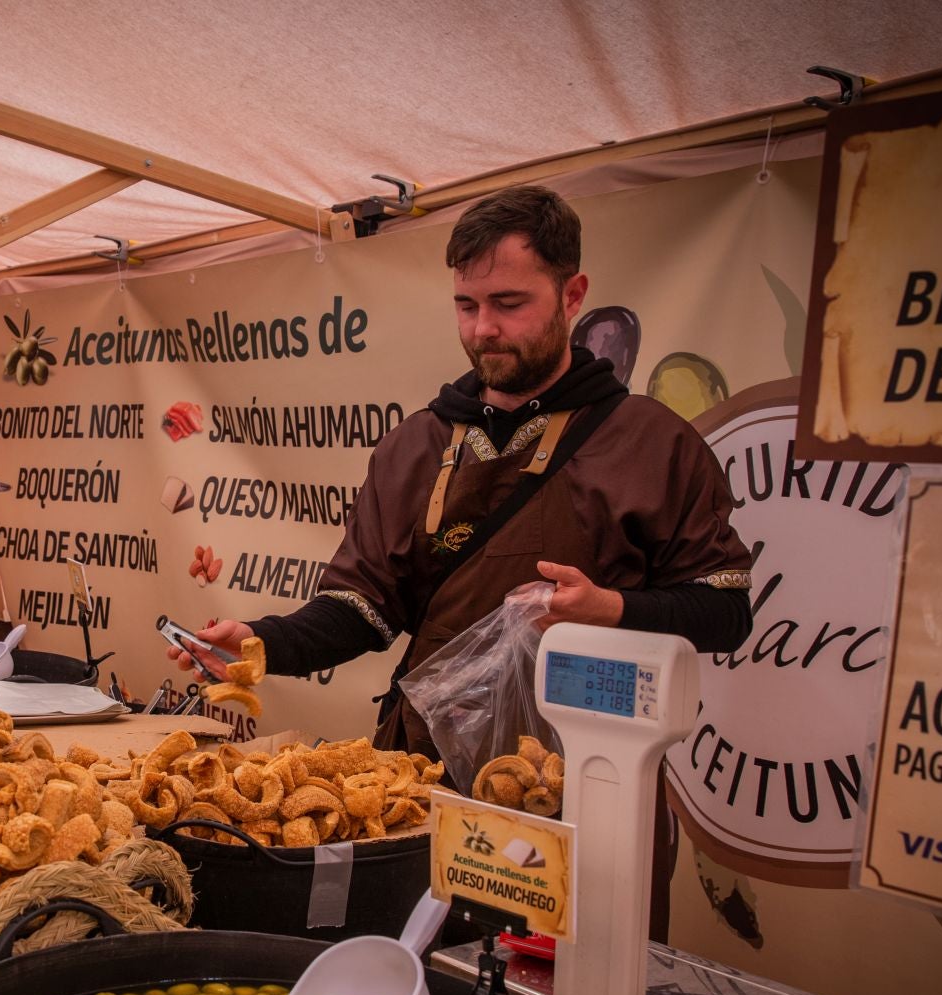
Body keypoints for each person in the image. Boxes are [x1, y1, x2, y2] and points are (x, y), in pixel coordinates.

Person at [171, 186, 753, 939]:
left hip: (586, 793)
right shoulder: (418, 445)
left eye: (510, 303)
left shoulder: (653, 442)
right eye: (466, 305)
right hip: (422, 794)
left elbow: (726, 609)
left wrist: (612, 609)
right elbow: (364, 609)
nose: (485, 330)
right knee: (423, 994)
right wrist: (261, 642)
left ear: (573, 294)